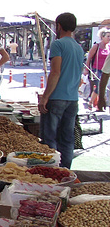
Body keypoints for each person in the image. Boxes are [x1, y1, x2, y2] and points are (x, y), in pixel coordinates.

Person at [38, 12, 84, 169]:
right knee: (67, 138)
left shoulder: (58, 44)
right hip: (73, 99)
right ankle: (65, 170)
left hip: (57, 98)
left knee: (50, 138)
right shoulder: (79, 48)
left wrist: (45, 98)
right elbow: (79, 75)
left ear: (58, 26)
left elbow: (55, 72)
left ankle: (52, 170)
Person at [83, 28, 110, 111]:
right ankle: (99, 104)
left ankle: (92, 102)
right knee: (100, 87)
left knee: (102, 87)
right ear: (102, 37)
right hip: (97, 70)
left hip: (106, 70)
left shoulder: (108, 47)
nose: (109, 38)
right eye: (108, 36)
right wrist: (86, 69)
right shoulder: (96, 46)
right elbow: (89, 57)